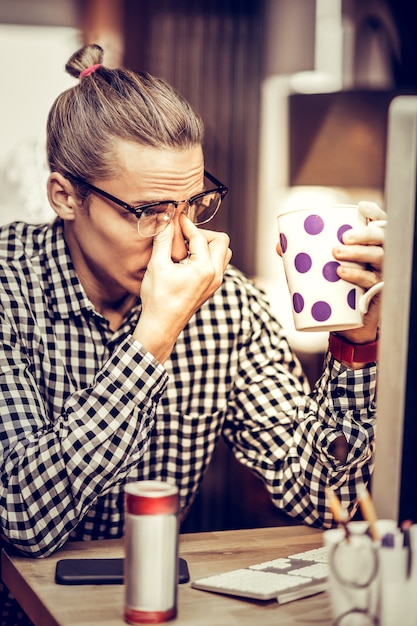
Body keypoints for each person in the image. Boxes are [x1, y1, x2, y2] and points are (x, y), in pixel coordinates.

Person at [0, 43, 385, 624]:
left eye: (193, 204)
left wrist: (358, 344)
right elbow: (24, 520)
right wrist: (154, 335)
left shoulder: (225, 300)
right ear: (65, 197)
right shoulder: (9, 286)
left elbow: (323, 498)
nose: (178, 240)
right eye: (149, 211)